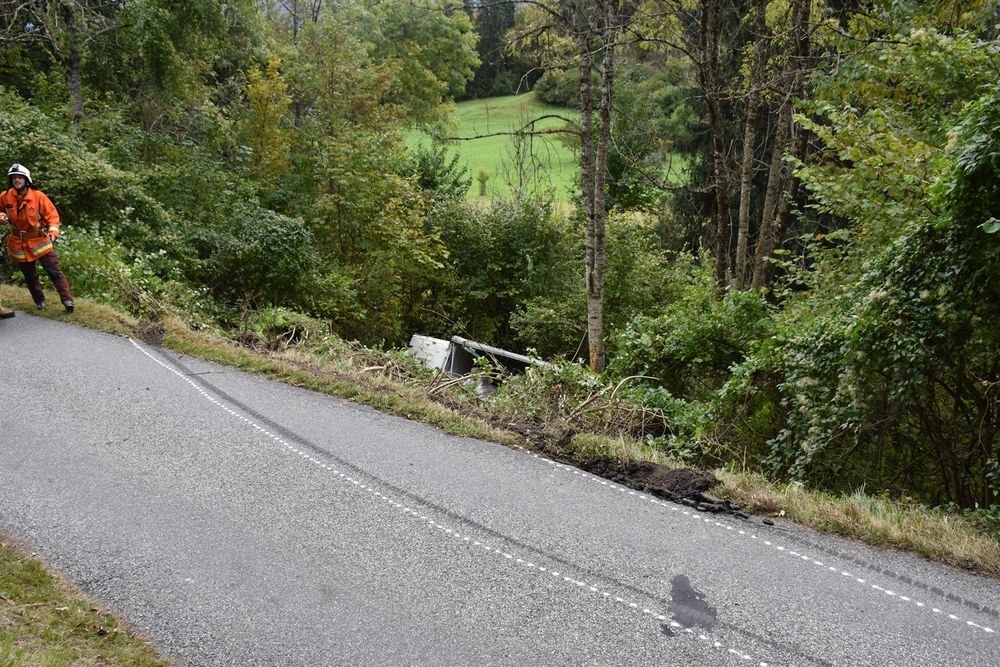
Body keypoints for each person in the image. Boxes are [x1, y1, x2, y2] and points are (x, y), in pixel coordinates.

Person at [0, 163, 74, 312]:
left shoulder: (38, 196)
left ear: (26, 179)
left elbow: (53, 216)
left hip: (40, 240)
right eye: (14, 178)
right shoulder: (5, 196)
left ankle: (67, 300)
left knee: (53, 270)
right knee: (29, 275)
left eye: (20, 177)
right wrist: (1, 216)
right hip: (18, 243)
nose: (17, 180)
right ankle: (39, 301)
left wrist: (53, 233)